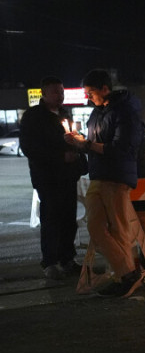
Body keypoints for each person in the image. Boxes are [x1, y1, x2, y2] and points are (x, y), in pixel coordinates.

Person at [64, 69, 145, 297]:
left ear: (105, 88)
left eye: (91, 92)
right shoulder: (96, 113)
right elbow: (93, 144)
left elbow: (122, 149)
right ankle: (128, 272)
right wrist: (78, 142)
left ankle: (124, 277)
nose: (88, 97)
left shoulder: (125, 111)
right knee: (95, 226)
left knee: (119, 229)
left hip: (117, 177)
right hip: (98, 175)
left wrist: (87, 145)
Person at [19, 76, 87, 280]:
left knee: (69, 219)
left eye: (62, 91)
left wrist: (78, 151)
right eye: (56, 92)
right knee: (51, 219)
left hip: (68, 176)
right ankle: (50, 262)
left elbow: (74, 139)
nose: (60, 96)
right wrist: (60, 157)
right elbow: (30, 148)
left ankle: (67, 259)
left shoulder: (65, 114)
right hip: (47, 178)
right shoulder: (34, 117)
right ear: (44, 93)